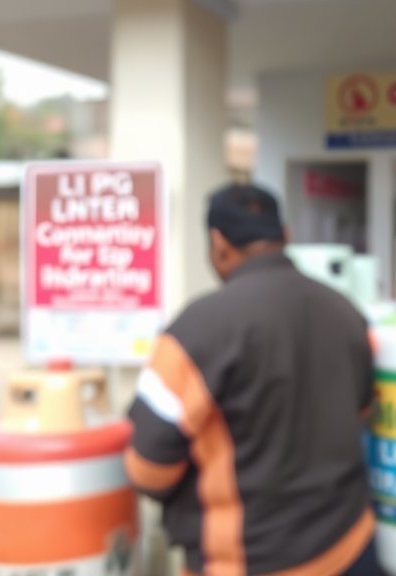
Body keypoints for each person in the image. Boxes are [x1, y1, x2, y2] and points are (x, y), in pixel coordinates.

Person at [125, 183, 379, 574]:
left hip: (251, 560)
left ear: (218, 242)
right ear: (286, 236)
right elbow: (361, 409)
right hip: (351, 545)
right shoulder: (348, 312)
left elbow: (146, 468)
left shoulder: (197, 329)